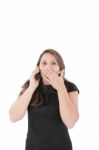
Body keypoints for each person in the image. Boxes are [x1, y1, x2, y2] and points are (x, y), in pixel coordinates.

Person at [9, 49, 79, 150]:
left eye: (53, 63)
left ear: (60, 68)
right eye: (44, 63)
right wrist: (32, 87)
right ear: (38, 68)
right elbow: (13, 117)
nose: (48, 67)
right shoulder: (30, 85)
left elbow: (70, 122)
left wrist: (60, 87)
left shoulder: (70, 88)